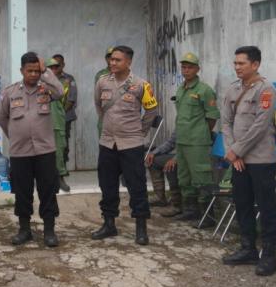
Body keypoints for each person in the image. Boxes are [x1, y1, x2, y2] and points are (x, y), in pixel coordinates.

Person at [220, 45, 276, 276]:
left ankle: (269, 254)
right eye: (235, 63)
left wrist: (237, 151)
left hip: (260, 159)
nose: (237, 67)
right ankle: (248, 248)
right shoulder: (233, 89)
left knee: (266, 206)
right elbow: (226, 122)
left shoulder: (266, 90)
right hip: (238, 159)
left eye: (241, 63)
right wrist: (232, 151)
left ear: (255, 64)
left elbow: (260, 126)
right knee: (242, 202)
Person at [91, 45, 159, 245]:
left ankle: (141, 228)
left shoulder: (141, 85)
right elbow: (98, 105)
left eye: (117, 60)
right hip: (107, 143)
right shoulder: (102, 82)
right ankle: (109, 224)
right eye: (111, 59)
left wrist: (139, 132)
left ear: (128, 62)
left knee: (136, 185)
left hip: (131, 144)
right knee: (107, 184)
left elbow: (151, 111)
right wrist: (108, 126)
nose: (112, 63)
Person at [0, 52, 64, 247]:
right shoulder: (10, 92)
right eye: (30, 71)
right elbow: (2, 118)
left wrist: (46, 72)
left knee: (48, 191)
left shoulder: (46, 89)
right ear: (22, 71)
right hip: (20, 153)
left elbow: (60, 93)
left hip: (45, 151)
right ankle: (24, 229)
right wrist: (16, 135)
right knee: (22, 192)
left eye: (37, 70)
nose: (34, 74)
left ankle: (49, 230)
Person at [170, 53, 220, 221]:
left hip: (197, 142)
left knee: (201, 176)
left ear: (197, 69)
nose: (186, 70)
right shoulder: (181, 88)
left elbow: (212, 117)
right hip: (182, 140)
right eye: (183, 67)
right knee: (184, 177)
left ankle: (208, 215)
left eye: (190, 67)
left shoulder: (204, 90)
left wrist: (201, 134)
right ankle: (191, 211)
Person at [46, 57, 72, 193]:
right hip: (43, 122)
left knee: (59, 151)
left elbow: (65, 98)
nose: (54, 70)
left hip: (58, 119)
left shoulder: (64, 82)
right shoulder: (40, 83)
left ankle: (60, 177)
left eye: (56, 67)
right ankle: (48, 180)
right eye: (50, 67)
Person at [146, 130, 183, 216]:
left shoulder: (196, 123)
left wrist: (175, 159)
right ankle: (160, 197)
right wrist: (154, 153)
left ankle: (177, 204)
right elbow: (171, 143)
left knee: (170, 165)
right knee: (153, 160)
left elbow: (189, 148)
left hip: (189, 156)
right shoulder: (180, 120)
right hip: (178, 155)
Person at [53, 54, 78, 175]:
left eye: (58, 64)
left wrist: (60, 113)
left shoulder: (69, 79)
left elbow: (71, 98)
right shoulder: (46, 79)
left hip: (65, 116)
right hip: (50, 118)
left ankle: (62, 167)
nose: (56, 67)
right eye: (53, 64)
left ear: (63, 65)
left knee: (63, 143)